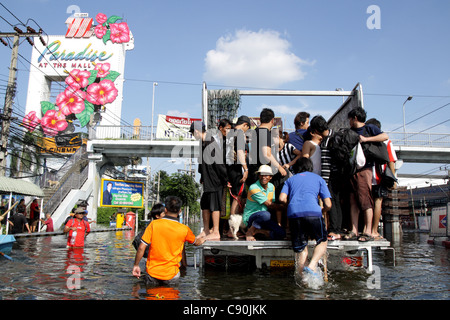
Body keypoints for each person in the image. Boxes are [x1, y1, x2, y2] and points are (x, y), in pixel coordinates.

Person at [132, 196, 205, 286]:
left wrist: (136, 265)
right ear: (180, 211)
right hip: (172, 275)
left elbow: (141, 248)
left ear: (165, 210)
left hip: (152, 273)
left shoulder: (153, 224)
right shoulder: (184, 229)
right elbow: (196, 243)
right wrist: (203, 238)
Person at [279, 157, 331, 278]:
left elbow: (281, 198)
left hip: (294, 214)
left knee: (302, 247)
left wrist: (292, 205)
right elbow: (328, 204)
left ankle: (304, 279)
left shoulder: (290, 180)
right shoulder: (319, 179)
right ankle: (312, 265)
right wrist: (323, 210)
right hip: (314, 212)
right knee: (322, 240)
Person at [345, 107, 389, 242]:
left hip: (365, 169)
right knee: (353, 200)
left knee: (365, 200)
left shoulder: (369, 128)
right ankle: (354, 229)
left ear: (355, 118)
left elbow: (385, 136)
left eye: (351, 119)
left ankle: (368, 231)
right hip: (352, 169)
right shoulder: (350, 132)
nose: (350, 122)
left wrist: (366, 139)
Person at [190, 121, 227, 241]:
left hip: (215, 180)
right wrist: (202, 177)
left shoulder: (211, 143)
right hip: (207, 180)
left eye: (192, 133)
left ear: (196, 131)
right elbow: (201, 163)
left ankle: (216, 231)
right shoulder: (203, 143)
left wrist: (225, 179)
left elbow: (220, 164)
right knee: (204, 204)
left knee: (215, 206)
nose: (193, 135)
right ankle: (206, 230)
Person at [365, 118, 398, 240]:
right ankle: (374, 230)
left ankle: (365, 230)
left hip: (366, 176)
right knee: (378, 202)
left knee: (366, 203)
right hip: (379, 177)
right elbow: (391, 161)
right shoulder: (387, 141)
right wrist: (393, 179)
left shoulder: (366, 139)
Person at [243, 165, 286, 241]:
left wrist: (279, 223)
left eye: (266, 175)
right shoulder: (254, 187)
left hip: (264, 218)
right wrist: (286, 207)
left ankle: (260, 231)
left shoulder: (271, 186)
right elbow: (270, 205)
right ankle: (250, 231)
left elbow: (273, 206)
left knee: (282, 233)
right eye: (261, 175)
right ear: (259, 176)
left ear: (271, 177)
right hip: (251, 218)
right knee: (265, 214)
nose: (263, 177)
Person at [247, 108, 287, 186]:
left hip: (255, 171)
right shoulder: (265, 133)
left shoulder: (256, 131)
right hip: (263, 174)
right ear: (272, 120)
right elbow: (266, 154)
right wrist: (280, 168)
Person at [226, 115, 251, 217]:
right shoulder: (240, 133)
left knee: (235, 197)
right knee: (238, 197)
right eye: (247, 129)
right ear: (245, 125)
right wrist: (245, 169)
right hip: (237, 169)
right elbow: (240, 152)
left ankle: (233, 228)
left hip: (229, 169)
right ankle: (233, 229)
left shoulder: (229, 134)